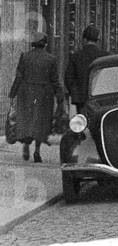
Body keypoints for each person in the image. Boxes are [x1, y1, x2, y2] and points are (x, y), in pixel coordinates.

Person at [9, 33, 64, 163]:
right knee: (41, 122)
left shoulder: (25, 57)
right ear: (45, 44)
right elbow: (55, 80)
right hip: (44, 94)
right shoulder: (51, 59)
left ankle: (26, 145)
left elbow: (19, 76)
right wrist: (60, 96)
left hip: (26, 93)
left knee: (28, 120)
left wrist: (12, 93)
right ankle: (37, 151)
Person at [64, 25, 106, 113]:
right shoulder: (105, 56)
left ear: (84, 39)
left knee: (82, 123)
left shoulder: (76, 56)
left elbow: (68, 78)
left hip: (81, 99)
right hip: (102, 97)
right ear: (97, 40)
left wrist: (75, 93)